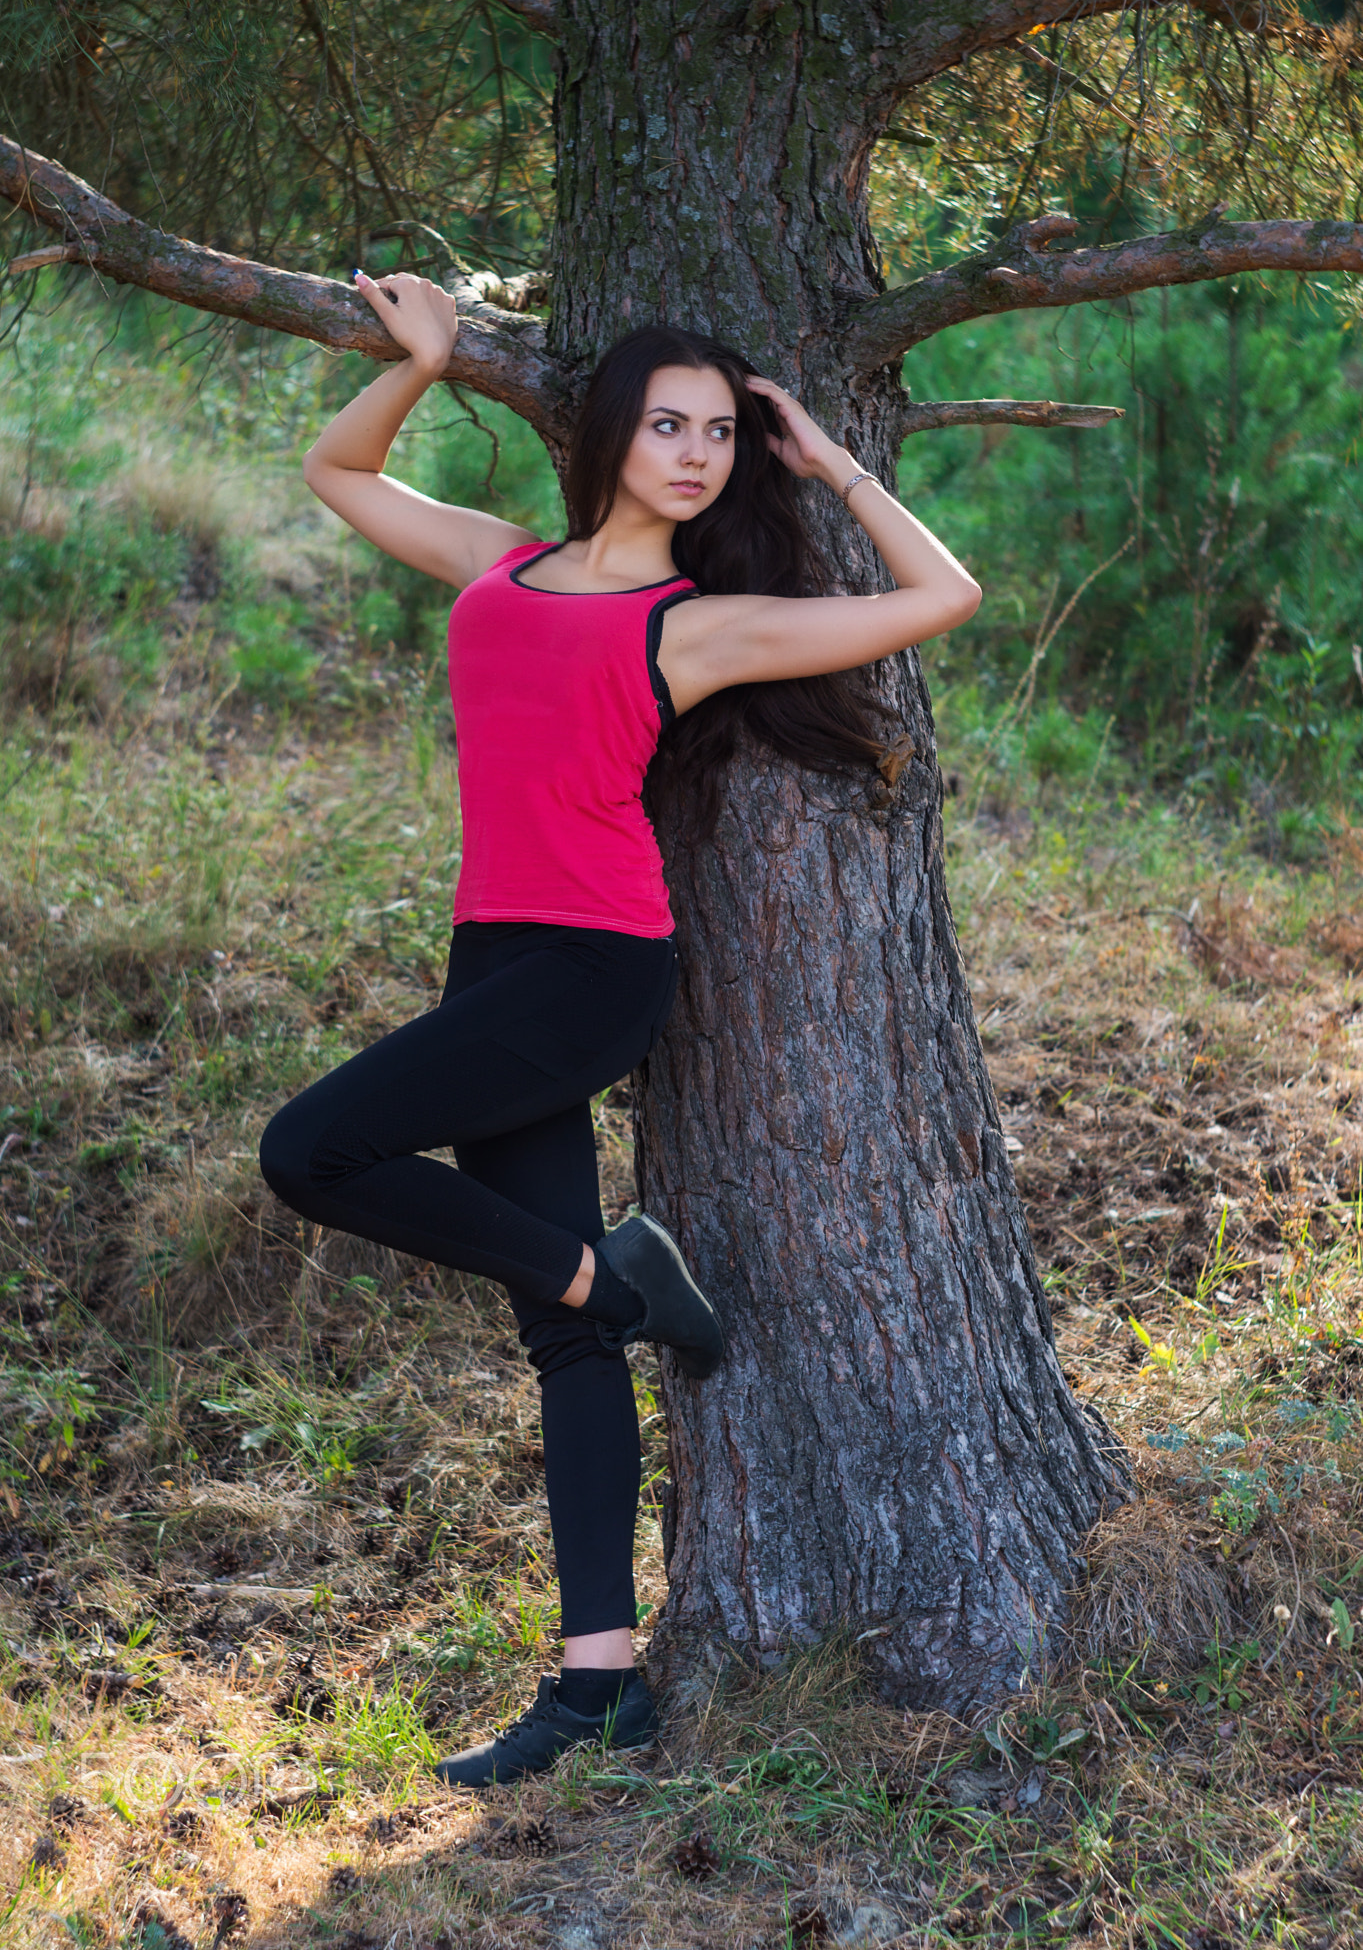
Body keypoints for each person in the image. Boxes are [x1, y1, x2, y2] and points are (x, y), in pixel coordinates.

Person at [258, 270, 981, 1788]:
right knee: (563, 1335)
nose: (698, 452)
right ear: (614, 436)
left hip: (598, 963)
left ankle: (620, 1275)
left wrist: (830, 459)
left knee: (310, 1149)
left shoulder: (698, 624)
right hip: (494, 952)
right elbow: (333, 472)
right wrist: (427, 362)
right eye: (670, 424)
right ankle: (600, 1686)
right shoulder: (496, 566)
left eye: (719, 433)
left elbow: (942, 600)